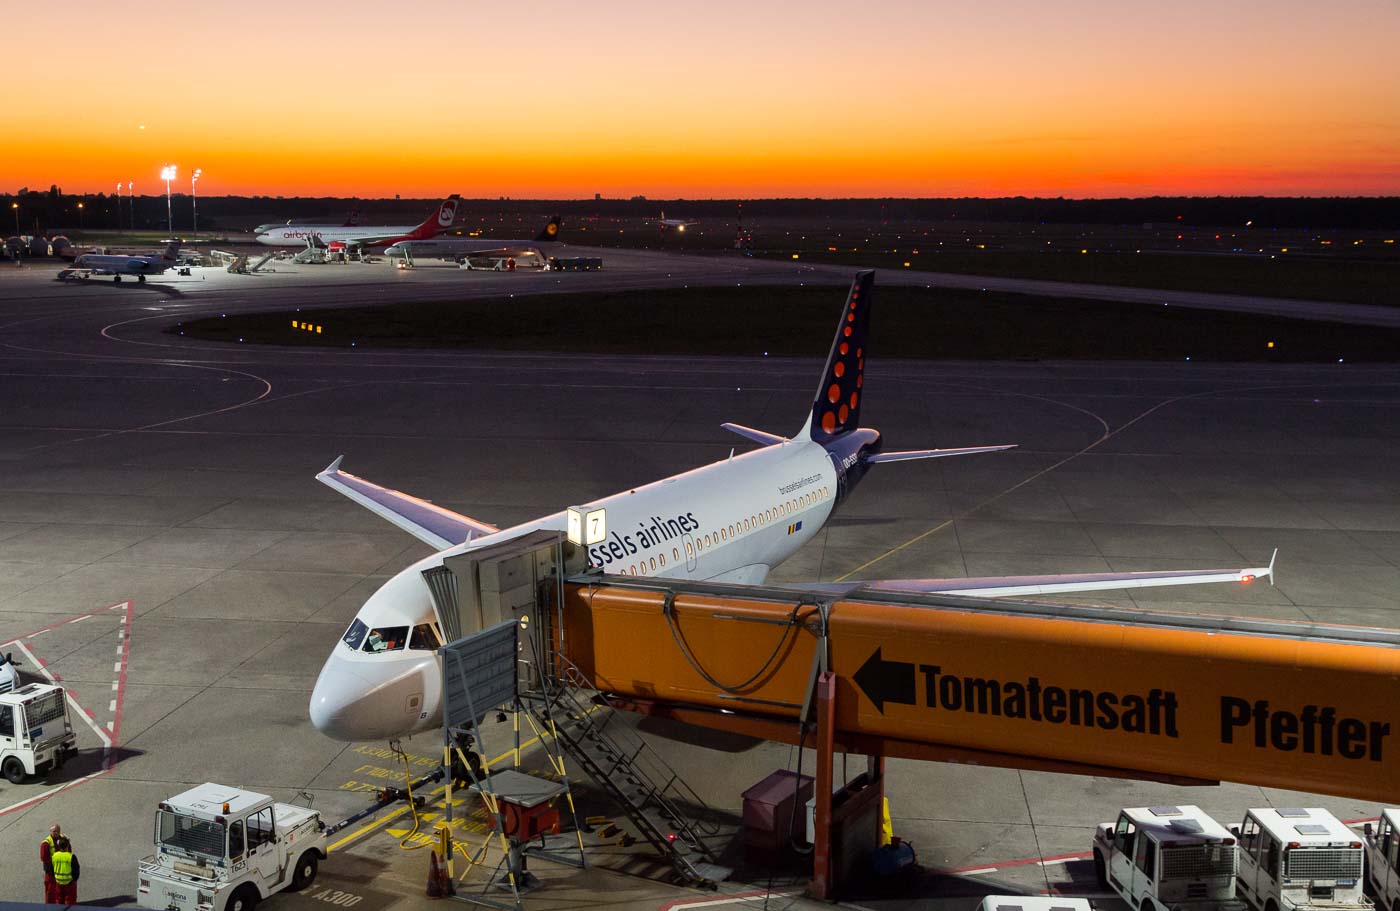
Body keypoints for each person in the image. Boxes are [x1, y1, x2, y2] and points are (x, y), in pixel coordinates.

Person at [48, 835, 79, 905]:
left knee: (59, 899)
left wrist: (55, 877)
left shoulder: (54, 856)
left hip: (58, 882)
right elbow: (76, 870)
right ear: (67, 846)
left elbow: (51, 869)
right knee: (71, 900)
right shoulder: (71, 856)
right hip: (69, 883)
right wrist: (74, 879)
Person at [39, 824, 62, 904]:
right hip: (50, 871)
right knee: (50, 890)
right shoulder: (46, 843)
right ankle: (49, 906)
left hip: (61, 870)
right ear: (50, 832)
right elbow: (43, 858)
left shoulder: (63, 839)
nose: (56, 833)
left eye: (58, 831)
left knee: (61, 889)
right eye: (54, 831)